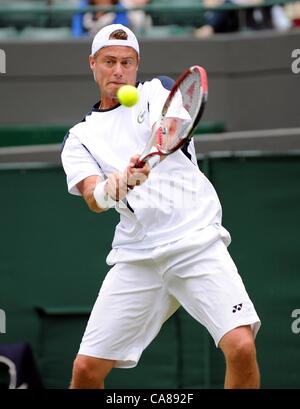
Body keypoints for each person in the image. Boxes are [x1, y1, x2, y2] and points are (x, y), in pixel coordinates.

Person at [61, 23, 261, 389]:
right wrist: (117, 185)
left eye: (127, 62)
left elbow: (169, 127)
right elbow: (93, 198)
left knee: (241, 347)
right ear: (92, 63)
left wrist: (148, 158)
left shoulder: (159, 91)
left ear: (137, 65)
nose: (118, 70)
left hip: (196, 242)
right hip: (138, 256)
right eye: (109, 61)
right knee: (86, 371)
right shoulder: (80, 138)